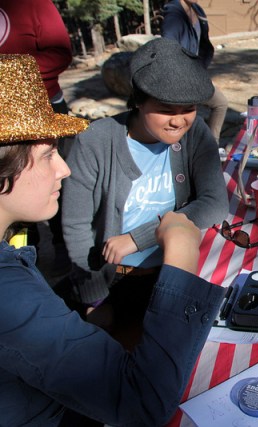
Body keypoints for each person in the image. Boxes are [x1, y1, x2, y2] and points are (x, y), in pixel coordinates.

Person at [0, 53, 225, 426]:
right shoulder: (9, 293)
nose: (64, 168)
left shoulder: (14, 266)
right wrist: (182, 253)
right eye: (47, 156)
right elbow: (143, 401)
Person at [60, 38, 229, 332]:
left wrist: (138, 238)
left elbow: (215, 203)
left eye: (188, 108)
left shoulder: (195, 133)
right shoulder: (96, 141)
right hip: (111, 283)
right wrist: (94, 301)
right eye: (166, 109)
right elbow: (76, 227)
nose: (179, 121)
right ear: (138, 100)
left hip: (171, 273)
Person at [0, 0, 75, 271]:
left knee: (47, 179)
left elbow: (60, 52)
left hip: (37, 107)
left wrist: (13, 76)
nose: (64, 169)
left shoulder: (33, 4)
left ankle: (61, 248)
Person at [161, 0, 229, 142]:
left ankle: (211, 146)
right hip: (180, 80)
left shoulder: (197, 11)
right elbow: (167, 51)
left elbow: (201, 44)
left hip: (195, 75)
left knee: (220, 103)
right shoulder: (173, 17)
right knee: (186, 121)